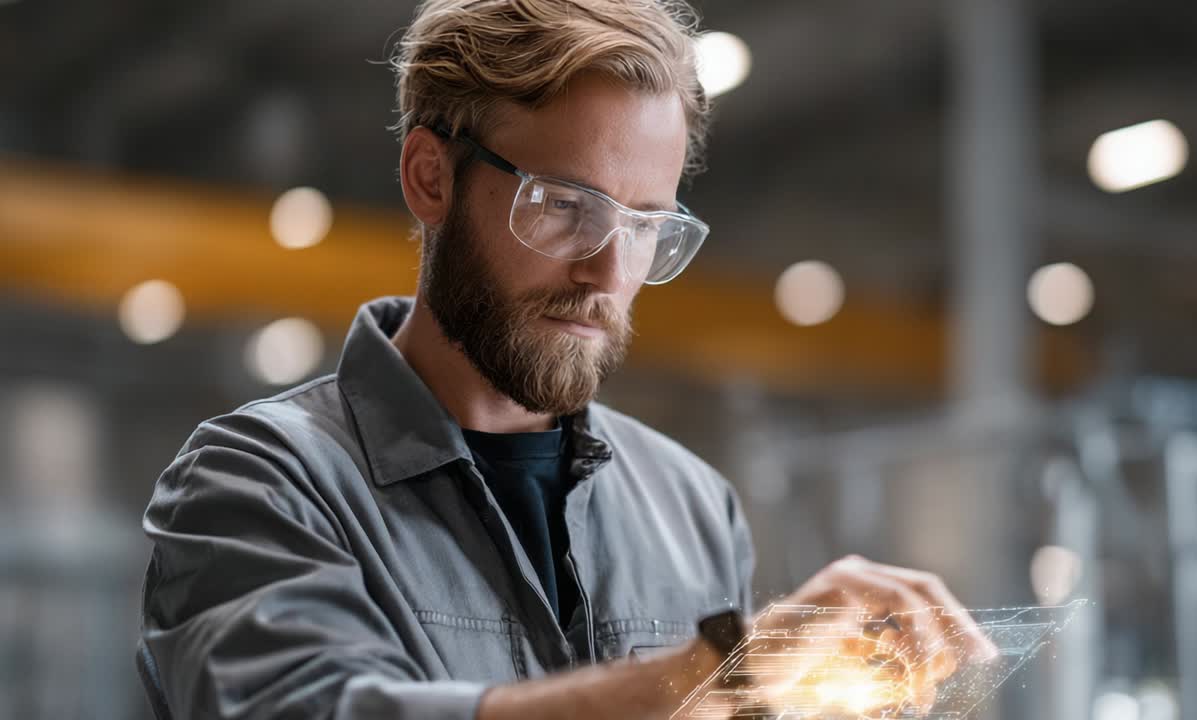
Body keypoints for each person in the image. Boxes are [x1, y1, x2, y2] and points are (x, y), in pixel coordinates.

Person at [137, 1, 999, 718]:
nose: (609, 272)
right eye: (565, 206)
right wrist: (719, 669)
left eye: (645, 225)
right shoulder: (255, 484)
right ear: (430, 176)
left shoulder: (694, 508)